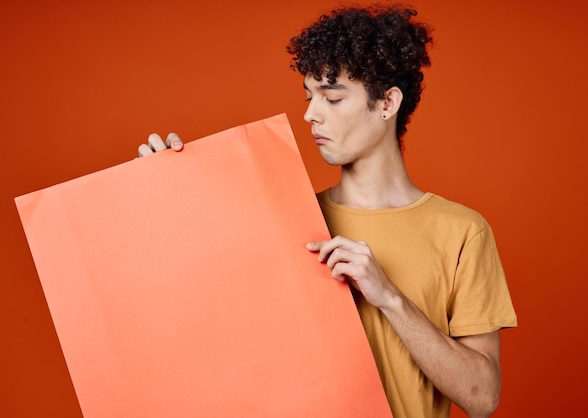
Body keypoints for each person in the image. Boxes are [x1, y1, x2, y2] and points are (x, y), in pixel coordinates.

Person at [139, 5, 517, 418]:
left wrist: (388, 297)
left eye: (333, 97)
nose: (310, 114)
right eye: (309, 96)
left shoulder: (462, 231)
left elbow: (483, 399)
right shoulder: (285, 219)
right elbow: (204, 329)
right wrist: (163, 193)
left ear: (388, 102)